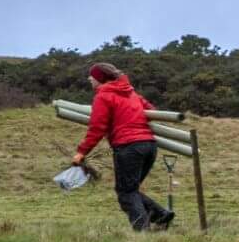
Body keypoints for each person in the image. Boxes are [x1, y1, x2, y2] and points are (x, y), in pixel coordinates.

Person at [72, 60, 173, 232]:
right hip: (149, 146)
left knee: (126, 193)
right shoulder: (131, 93)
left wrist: (81, 152)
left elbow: (97, 128)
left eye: (92, 76)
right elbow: (151, 109)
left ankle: (143, 231)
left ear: (100, 78)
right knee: (130, 190)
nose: (89, 79)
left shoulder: (103, 96)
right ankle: (160, 215)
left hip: (128, 148)